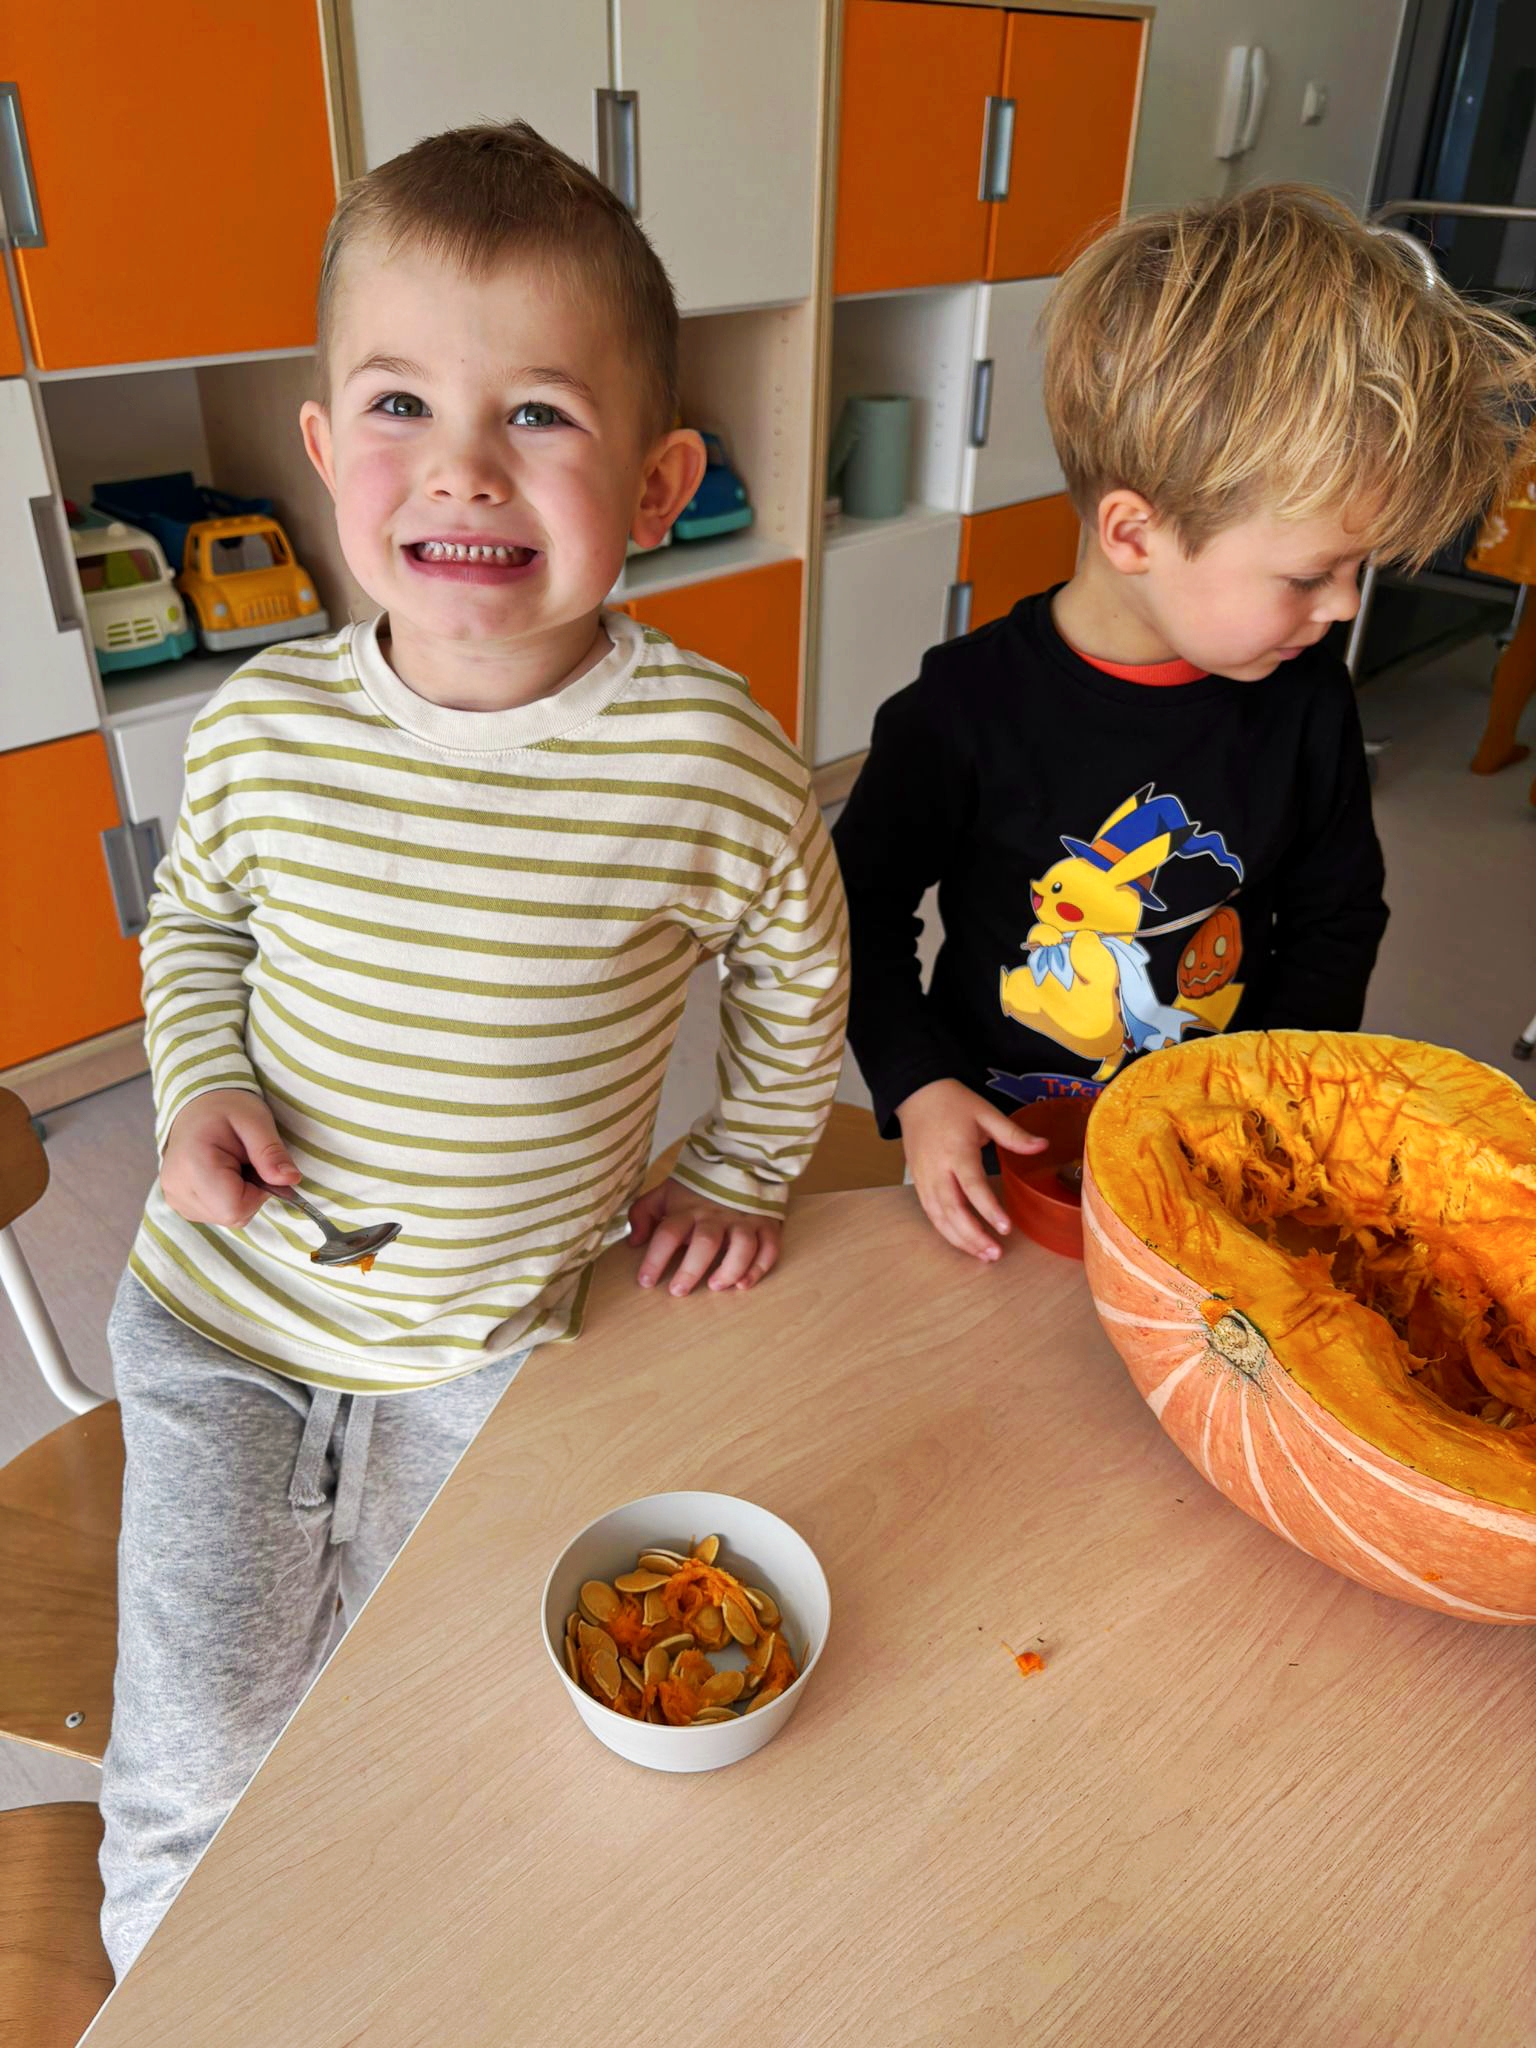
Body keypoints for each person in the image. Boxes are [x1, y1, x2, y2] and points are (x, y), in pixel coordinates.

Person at [98, 120, 847, 1975]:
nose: (461, 464)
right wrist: (199, 1082)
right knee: (196, 1742)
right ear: (321, 448)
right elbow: (195, 924)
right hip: (225, 1320)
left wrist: (745, 1167)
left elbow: (798, 969)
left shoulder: (710, 756)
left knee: (434, 1714)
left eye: (537, 414)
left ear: (660, 482)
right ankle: (167, 1997)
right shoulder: (264, 726)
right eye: (400, 403)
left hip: (501, 1340)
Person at [833, 185, 1536, 1263]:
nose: (1345, 607)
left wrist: (1271, 1100)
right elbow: (856, 913)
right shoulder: (962, 710)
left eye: (1358, 570)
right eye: (1310, 574)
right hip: (993, 1154)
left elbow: (1336, 918)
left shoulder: (1307, 700)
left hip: (1216, 1152)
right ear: (1134, 533)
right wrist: (919, 1087)